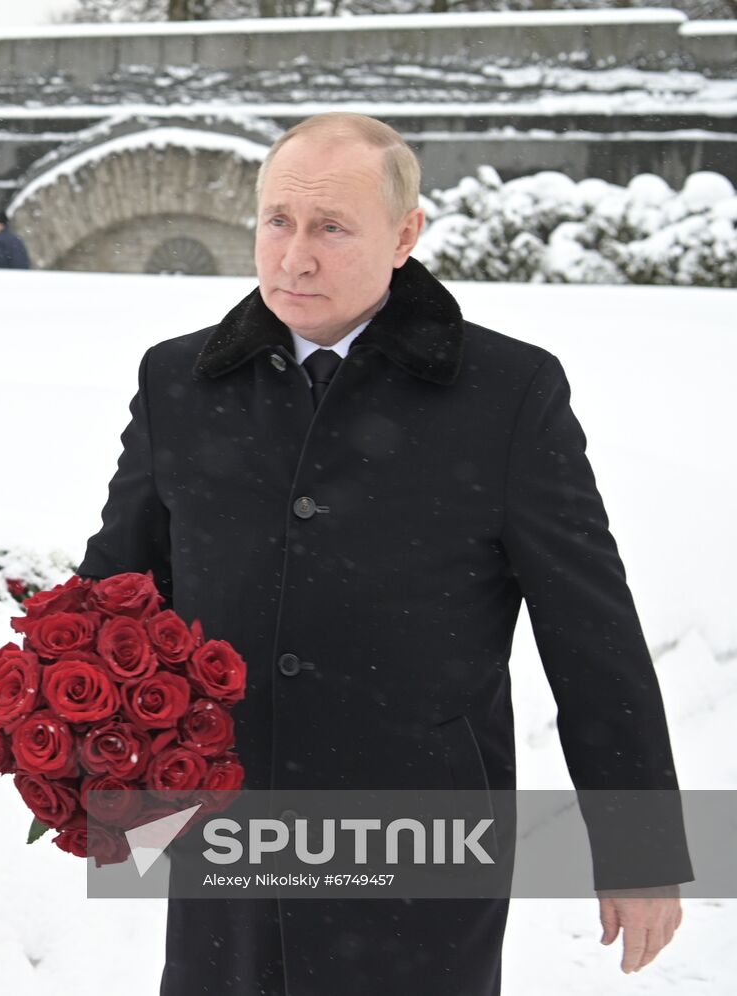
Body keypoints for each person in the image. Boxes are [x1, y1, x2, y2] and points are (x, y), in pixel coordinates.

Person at [76, 112, 691, 995]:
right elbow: (119, 597)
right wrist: (70, 746)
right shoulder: (179, 381)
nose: (295, 257)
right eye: (277, 221)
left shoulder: (508, 395)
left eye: (331, 227)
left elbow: (589, 627)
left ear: (406, 235)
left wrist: (638, 847)